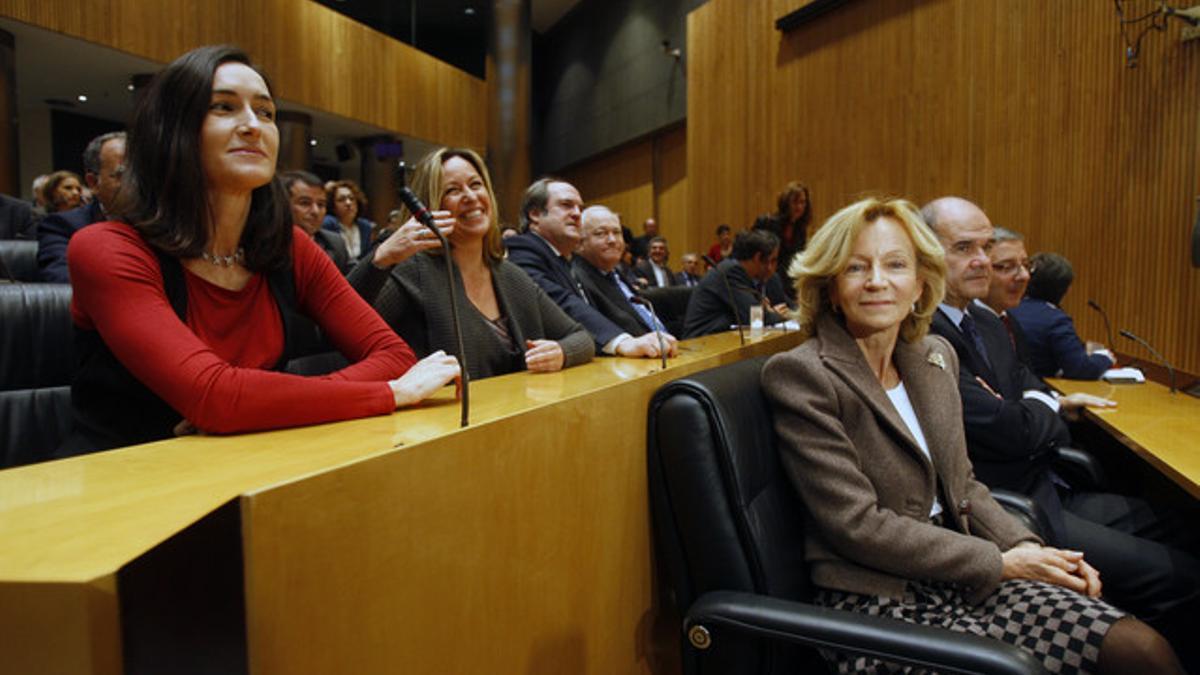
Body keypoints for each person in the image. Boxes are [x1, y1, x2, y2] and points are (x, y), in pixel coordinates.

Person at [762, 196, 1180, 674]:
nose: (877, 281)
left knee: (1141, 650)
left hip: (967, 571)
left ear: (920, 284)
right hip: (879, 596)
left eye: (895, 265)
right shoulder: (801, 374)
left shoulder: (933, 356)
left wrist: (1030, 549)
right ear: (832, 289)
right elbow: (858, 526)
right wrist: (1001, 562)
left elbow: (965, 486)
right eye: (856, 268)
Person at [61, 45, 459, 455]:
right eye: (223, 107)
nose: (253, 125)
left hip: (252, 465)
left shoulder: (289, 246)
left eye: (266, 112)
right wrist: (389, 394)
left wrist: (254, 405)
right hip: (127, 484)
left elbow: (393, 354)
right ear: (171, 129)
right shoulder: (105, 248)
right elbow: (218, 398)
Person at [923, 197, 1200, 660]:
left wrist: (1032, 407)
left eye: (987, 247)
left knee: (1187, 524)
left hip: (1050, 484)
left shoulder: (985, 323)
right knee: (1183, 579)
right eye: (964, 247)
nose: (982, 261)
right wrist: (1038, 410)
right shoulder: (926, 337)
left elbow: (1028, 390)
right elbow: (1009, 428)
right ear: (926, 253)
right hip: (1011, 511)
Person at [349, 148, 593, 380]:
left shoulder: (510, 275)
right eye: (453, 190)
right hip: (444, 421)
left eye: (476, 185)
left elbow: (581, 337)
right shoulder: (412, 272)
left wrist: (561, 352)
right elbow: (346, 329)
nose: (471, 196)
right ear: (429, 206)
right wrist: (382, 258)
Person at [506, 178, 671, 358]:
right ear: (536, 214)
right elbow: (559, 301)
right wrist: (621, 341)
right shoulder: (521, 250)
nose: (577, 214)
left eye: (580, 208)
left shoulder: (560, 258)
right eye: (566, 205)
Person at [573, 205, 678, 353]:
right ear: (579, 242)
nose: (612, 240)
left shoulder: (615, 272)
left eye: (617, 232)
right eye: (601, 233)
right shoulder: (578, 278)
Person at [37, 132, 128, 282]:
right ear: (93, 183)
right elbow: (62, 279)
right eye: (123, 174)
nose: (137, 184)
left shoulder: (161, 223)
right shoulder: (63, 227)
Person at [1010, 252, 1115, 380]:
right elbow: (1080, 369)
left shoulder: (1007, 308)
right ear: (1064, 289)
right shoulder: (1055, 319)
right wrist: (1104, 357)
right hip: (1040, 390)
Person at [682, 228, 786, 338]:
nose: (771, 267)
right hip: (702, 345)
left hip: (722, 339)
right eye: (772, 260)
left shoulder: (739, 272)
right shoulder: (731, 272)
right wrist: (782, 315)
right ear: (758, 257)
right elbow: (756, 319)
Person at [978, 226, 1034, 364]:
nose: (1024, 276)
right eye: (1007, 266)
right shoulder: (966, 328)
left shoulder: (1010, 321)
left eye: (1026, 265)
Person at [280, 170, 349, 273]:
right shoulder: (267, 244)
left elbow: (350, 285)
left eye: (321, 204)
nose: (315, 211)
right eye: (305, 203)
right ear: (283, 205)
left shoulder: (335, 244)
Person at [753, 181, 811, 299]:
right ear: (786, 202)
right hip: (767, 279)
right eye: (795, 202)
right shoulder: (768, 223)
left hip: (789, 281)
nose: (799, 207)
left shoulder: (800, 230)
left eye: (803, 202)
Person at [322, 179, 374, 262]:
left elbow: (367, 258)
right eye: (341, 199)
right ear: (332, 206)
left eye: (352, 198)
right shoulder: (327, 224)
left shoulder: (365, 226)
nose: (348, 203)